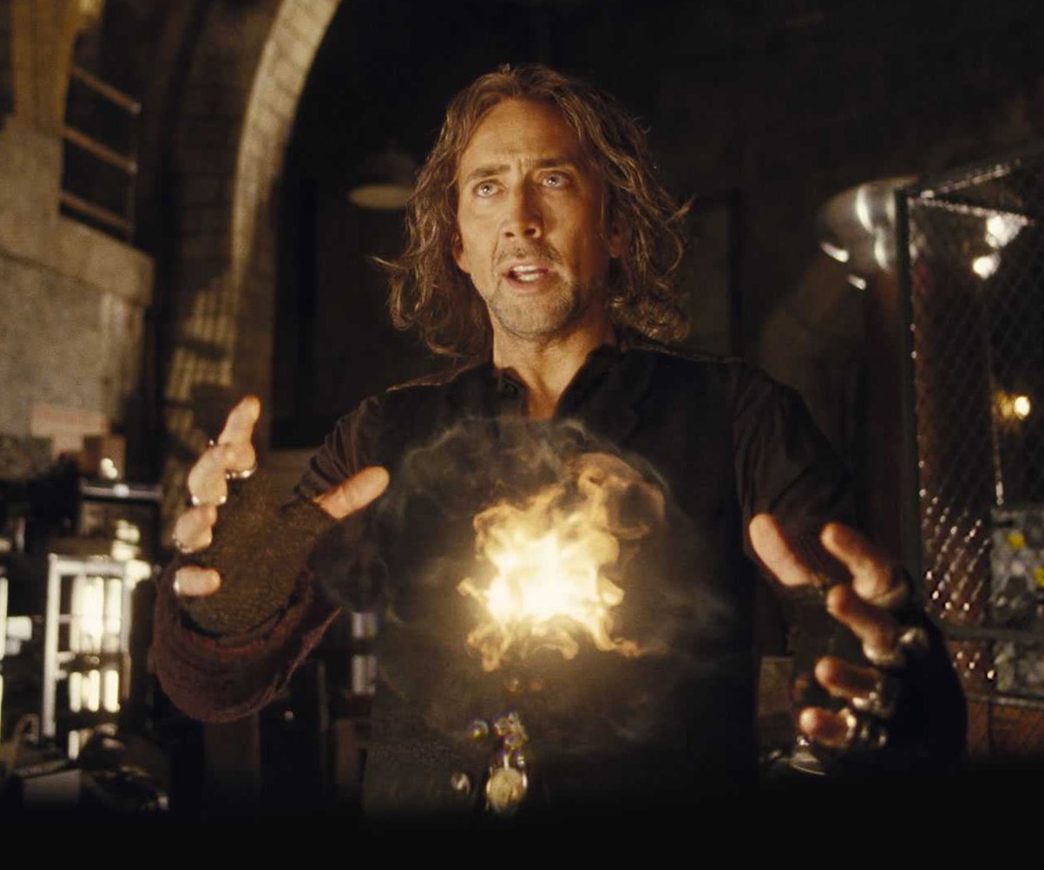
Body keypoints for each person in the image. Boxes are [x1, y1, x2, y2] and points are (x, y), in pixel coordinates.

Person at [153, 64, 964, 816]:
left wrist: (883, 664)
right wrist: (224, 592)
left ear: (614, 226)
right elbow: (215, 683)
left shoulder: (737, 418)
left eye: (553, 180)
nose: (521, 219)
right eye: (488, 188)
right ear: (459, 245)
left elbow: (874, 664)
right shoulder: (381, 436)